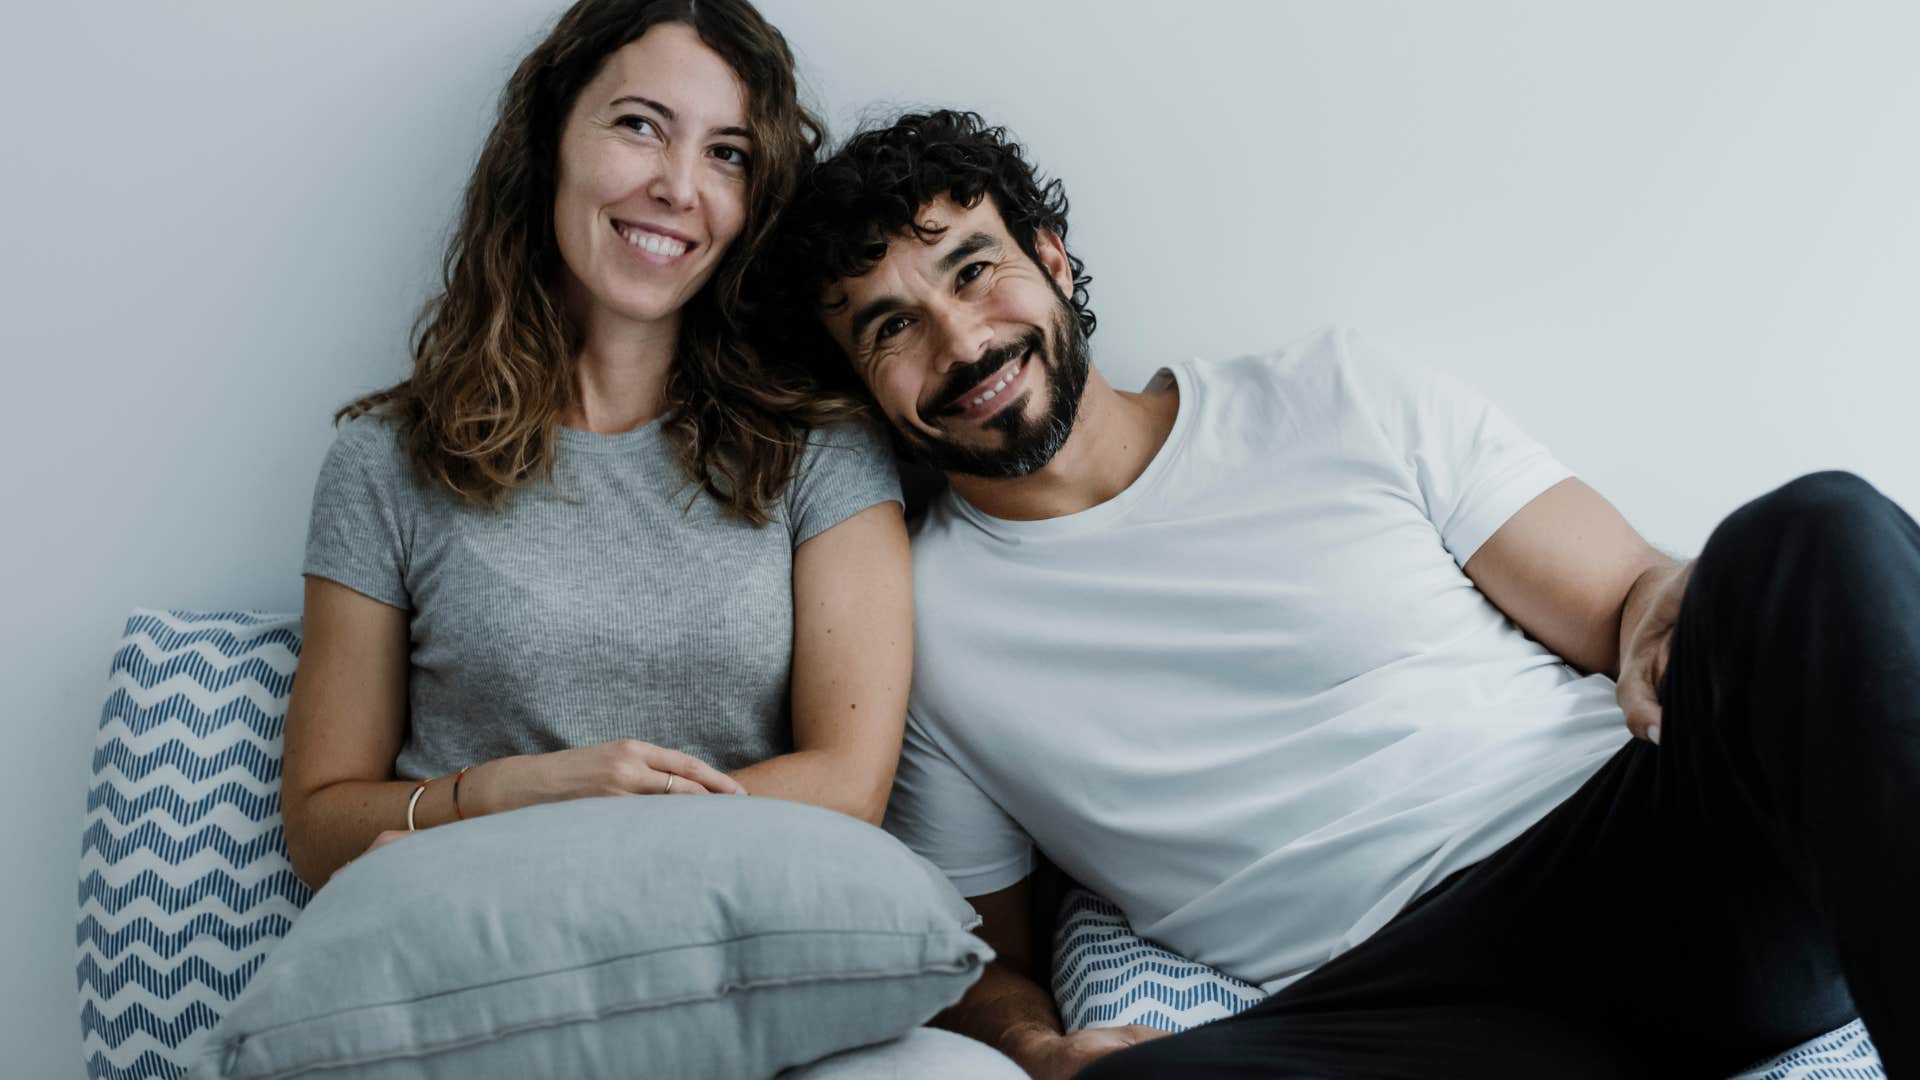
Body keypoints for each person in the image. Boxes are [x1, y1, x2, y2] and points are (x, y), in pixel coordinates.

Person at [766, 108, 1920, 1078]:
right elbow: (984, 958)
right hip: (1395, 998)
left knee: (1819, 529)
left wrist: (1673, 605)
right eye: (893, 329)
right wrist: (1040, 1045)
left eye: (975, 270)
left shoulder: (1332, 391)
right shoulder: (923, 627)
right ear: (865, 391)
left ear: (1052, 260)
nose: (962, 341)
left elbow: (1628, 597)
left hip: (1635, 850)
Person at [280, 0, 914, 890]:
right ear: (551, 142)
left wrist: (586, 837)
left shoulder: (822, 450)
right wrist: (500, 793)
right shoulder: (384, 463)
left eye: (726, 153)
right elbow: (318, 828)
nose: (678, 186)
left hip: (739, 951)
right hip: (465, 954)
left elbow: (850, 788)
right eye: (640, 127)